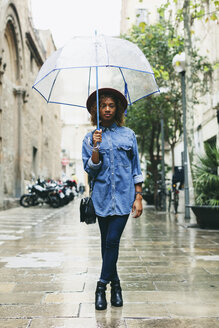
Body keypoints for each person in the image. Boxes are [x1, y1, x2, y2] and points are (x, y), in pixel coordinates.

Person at [82, 88, 143, 311]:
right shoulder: (90, 138)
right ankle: (116, 286)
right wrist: (96, 147)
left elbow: (136, 167)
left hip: (124, 197)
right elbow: (92, 170)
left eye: (111, 105)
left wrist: (138, 196)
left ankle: (100, 287)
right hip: (101, 198)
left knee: (112, 241)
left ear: (117, 109)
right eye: (103, 105)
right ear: (95, 110)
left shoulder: (128, 135)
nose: (107, 109)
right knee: (106, 243)